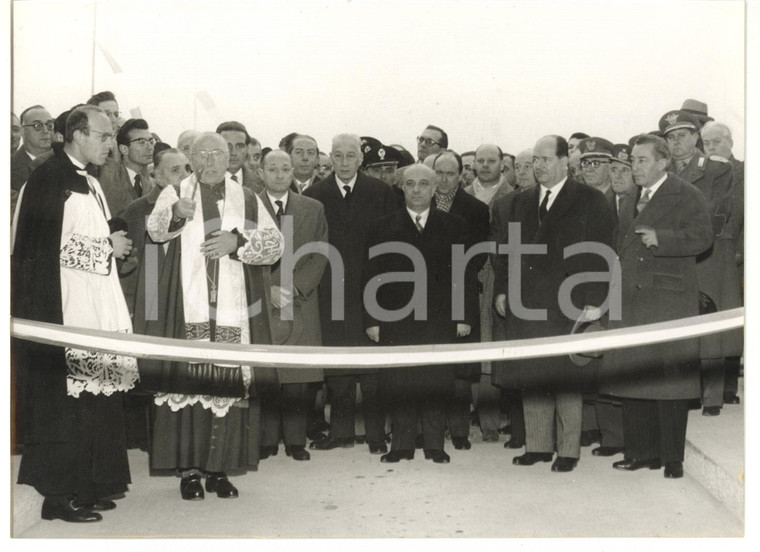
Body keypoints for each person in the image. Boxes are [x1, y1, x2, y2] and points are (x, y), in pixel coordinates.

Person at [12, 104, 137, 522]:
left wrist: (110, 236)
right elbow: (40, 248)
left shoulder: (90, 179)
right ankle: (57, 495)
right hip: (64, 303)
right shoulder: (49, 178)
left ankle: (90, 484)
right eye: (103, 136)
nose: (111, 145)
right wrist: (107, 249)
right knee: (64, 402)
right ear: (77, 135)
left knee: (94, 397)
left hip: (94, 297)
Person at [143, 131, 283, 500]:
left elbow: (274, 244)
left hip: (232, 311)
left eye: (218, 153)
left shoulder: (247, 197)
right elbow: (155, 232)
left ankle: (219, 469)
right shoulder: (176, 192)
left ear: (229, 158)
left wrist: (237, 242)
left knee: (227, 383)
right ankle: (189, 471)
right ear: (190, 157)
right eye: (202, 153)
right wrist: (175, 215)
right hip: (185, 306)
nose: (210, 159)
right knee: (187, 383)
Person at [492, 134, 615, 473]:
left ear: (565, 162)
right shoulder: (520, 202)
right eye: (535, 161)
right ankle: (538, 446)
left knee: (566, 379)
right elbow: (505, 252)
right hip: (527, 303)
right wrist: (501, 290)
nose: (539, 166)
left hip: (570, 301)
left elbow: (603, 255)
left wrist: (594, 303)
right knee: (532, 376)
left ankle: (568, 450)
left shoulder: (590, 200)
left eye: (546, 160)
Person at [599, 134, 713, 479]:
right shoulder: (629, 196)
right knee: (635, 378)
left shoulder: (687, 194)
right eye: (632, 160)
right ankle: (639, 453)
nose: (634, 166)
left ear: (663, 162)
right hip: (632, 300)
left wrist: (663, 240)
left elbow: (704, 237)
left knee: (670, 382)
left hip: (668, 302)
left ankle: (671, 458)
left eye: (642, 160)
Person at [364, 164, 477, 464]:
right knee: (399, 381)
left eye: (423, 183)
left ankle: (434, 445)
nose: (416, 190)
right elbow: (371, 276)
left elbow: (463, 276)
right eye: (410, 183)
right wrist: (372, 320)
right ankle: (401, 446)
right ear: (401, 186)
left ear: (434, 186)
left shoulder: (455, 225)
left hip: (439, 318)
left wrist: (463, 315)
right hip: (395, 318)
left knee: (437, 380)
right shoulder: (381, 226)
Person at [303, 133, 399, 454]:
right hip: (331, 289)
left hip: (371, 288)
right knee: (338, 366)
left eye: (350, 156)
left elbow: (391, 244)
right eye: (338, 156)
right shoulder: (316, 194)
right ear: (330, 158)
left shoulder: (381, 192)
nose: (344, 162)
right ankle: (340, 431)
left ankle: (375, 434)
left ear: (361, 159)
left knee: (372, 367)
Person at [658, 110, 740, 417]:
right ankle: (687, 391)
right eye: (670, 138)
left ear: (696, 137)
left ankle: (713, 397)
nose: (677, 143)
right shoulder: (662, 170)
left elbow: (715, 211)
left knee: (712, 326)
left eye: (682, 135)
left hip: (709, 254)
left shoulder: (716, 168)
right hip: (675, 255)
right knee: (682, 325)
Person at [257, 149, 329, 462]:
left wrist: (295, 286)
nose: (279, 174)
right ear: (260, 172)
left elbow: (320, 252)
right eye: (272, 169)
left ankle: (296, 442)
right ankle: (266, 440)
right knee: (266, 374)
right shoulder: (248, 206)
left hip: (300, 299)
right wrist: (266, 288)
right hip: (260, 300)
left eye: (285, 169)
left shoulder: (312, 208)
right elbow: (240, 255)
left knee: (298, 377)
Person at [431, 150, 489, 451]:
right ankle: (431, 429)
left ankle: (459, 432)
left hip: (459, 290)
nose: (443, 180)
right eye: (438, 173)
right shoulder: (419, 202)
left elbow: (478, 255)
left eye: (450, 174)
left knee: (460, 373)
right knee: (430, 367)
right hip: (424, 297)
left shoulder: (475, 209)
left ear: (461, 175)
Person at [464, 143, 513, 442]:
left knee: (494, 346)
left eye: (491, 161)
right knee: (473, 343)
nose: (484, 165)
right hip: (471, 273)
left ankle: (492, 422)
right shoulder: (464, 195)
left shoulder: (512, 196)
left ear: (501, 165)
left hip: (499, 273)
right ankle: (469, 416)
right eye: (479, 161)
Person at [97, 118, 155, 217]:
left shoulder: (151, 184)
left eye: (151, 141)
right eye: (141, 142)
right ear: (124, 149)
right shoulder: (108, 179)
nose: (150, 147)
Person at [11, 105, 54, 192]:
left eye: (49, 125)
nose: (46, 131)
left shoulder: (63, 160)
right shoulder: (11, 167)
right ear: (22, 131)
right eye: (37, 125)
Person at [216, 120, 263, 193]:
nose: (233, 152)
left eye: (239, 146)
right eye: (227, 146)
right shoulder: (201, 182)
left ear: (247, 149)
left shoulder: (262, 184)